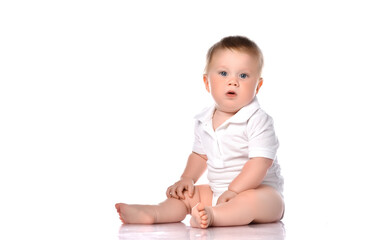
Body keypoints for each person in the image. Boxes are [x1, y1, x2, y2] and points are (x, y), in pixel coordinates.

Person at [115, 36, 284, 228]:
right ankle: (154, 212)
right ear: (206, 82)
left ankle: (214, 216)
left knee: (252, 201)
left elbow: (260, 163)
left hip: (261, 193)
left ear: (258, 86)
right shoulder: (203, 120)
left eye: (243, 76)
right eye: (223, 73)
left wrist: (235, 190)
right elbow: (199, 155)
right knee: (188, 196)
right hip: (218, 191)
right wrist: (187, 178)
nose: (233, 82)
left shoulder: (258, 119)